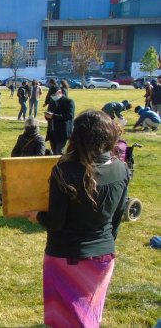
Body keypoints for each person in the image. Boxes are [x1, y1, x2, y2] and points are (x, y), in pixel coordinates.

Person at [22, 110, 129, 328]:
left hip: (67, 256)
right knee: (89, 317)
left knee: (68, 321)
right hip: (103, 256)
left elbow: (56, 222)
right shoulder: (121, 168)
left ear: (76, 136)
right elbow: (117, 219)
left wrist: (38, 216)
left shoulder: (65, 170)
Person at [0, 117, 46, 205]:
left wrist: (24, 158)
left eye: (31, 127)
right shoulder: (21, 137)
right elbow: (14, 152)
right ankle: (1, 196)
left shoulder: (39, 139)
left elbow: (40, 155)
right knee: (6, 173)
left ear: (35, 128)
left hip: (32, 167)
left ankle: (8, 196)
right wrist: (18, 159)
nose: (29, 129)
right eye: (28, 127)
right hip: (19, 164)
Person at [45, 88, 75, 155]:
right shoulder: (52, 101)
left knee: (59, 152)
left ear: (60, 92)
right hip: (52, 131)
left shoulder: (69, 101)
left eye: (54, 95)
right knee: (54, 151)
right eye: (51, 95)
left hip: (62, 132)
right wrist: (47, 116)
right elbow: (49, 112)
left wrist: (53, 116)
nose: (53, 96)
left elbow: (70, 116)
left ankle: (61, 165)